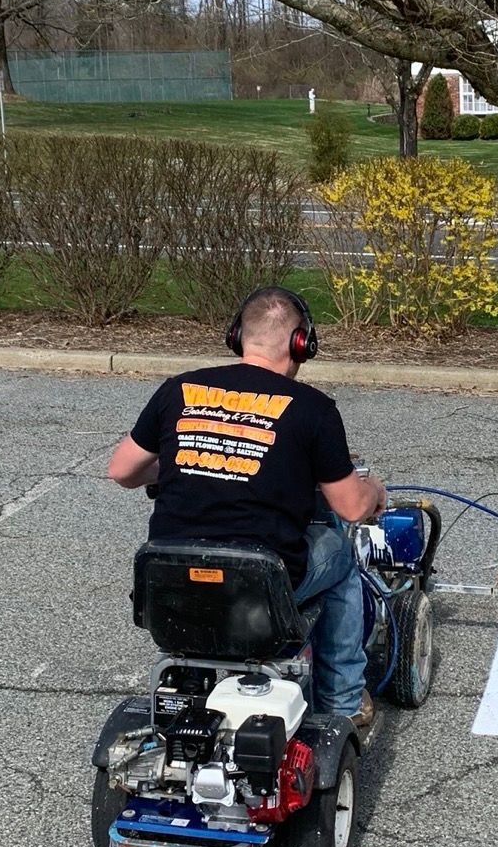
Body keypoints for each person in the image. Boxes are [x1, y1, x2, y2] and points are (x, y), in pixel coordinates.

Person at [106, 286, 387, 729]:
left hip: (171, 581)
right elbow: (351, 507)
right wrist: (374, 490)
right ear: (302, 343)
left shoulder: (178, 390)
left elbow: (122, 470)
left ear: (237, 335)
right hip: (260, 583)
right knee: (340, 556)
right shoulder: (313, 409)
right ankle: (344, 699)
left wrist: (190, 463)